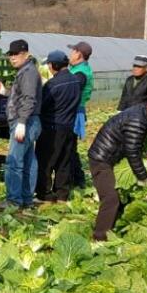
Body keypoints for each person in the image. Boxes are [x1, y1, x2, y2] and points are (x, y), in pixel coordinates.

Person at [86, 96, 147, 241]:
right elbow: (132, 151)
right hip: (101, 159)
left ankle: (112, 228)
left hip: (110, 156)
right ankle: (99, 237)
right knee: (111, 198)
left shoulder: (142, 113)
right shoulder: (138, 120)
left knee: (120, 196)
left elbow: (135, 142)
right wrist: (143, 176)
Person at [0, 39, 42, 210]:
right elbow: (20, 95)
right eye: (11, 55)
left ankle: (13, 201)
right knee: (29, 161)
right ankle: (26, 199)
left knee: (14, 162)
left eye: (16, 54)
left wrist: (21, 122)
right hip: (30, 121)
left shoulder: (28, 72)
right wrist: (5, 92)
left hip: (26, 122)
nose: (12, 58)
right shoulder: (26, 70)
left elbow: (29, 99)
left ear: (26, 54)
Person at [35, 50, 82, 203]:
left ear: (54, 65)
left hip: (52, 128)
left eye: (49, 64)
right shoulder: (75, 81)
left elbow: (42, 104)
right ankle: (62, 194)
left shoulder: (53, 85)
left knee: (46, 161)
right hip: (69, 126)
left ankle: (45, 194)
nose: (48, 67)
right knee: (64, 162)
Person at [68, 41, 94, 188]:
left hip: (74, 112)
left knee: (69, 148)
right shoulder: (78, 69)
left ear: (78, 54)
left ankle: (78, 180)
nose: (70, 54)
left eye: (72, 51)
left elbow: (72, 93)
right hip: (74, 111)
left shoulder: (80, 73)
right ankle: (76, 180)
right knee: (70, 148)